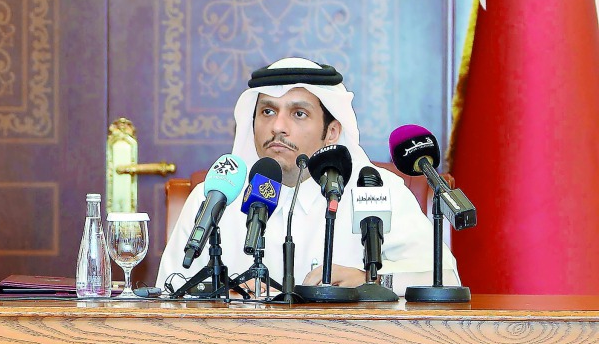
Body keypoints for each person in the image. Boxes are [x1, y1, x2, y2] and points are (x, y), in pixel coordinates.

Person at [157, 57, 459, 294]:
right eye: (267, 112)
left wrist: (370, 280)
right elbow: (170, 286)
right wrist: (221, 293)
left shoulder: (378, 191)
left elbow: (445, 278)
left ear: (332, 132)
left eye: (298, 113)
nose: (278, 126)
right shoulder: (218, 196)